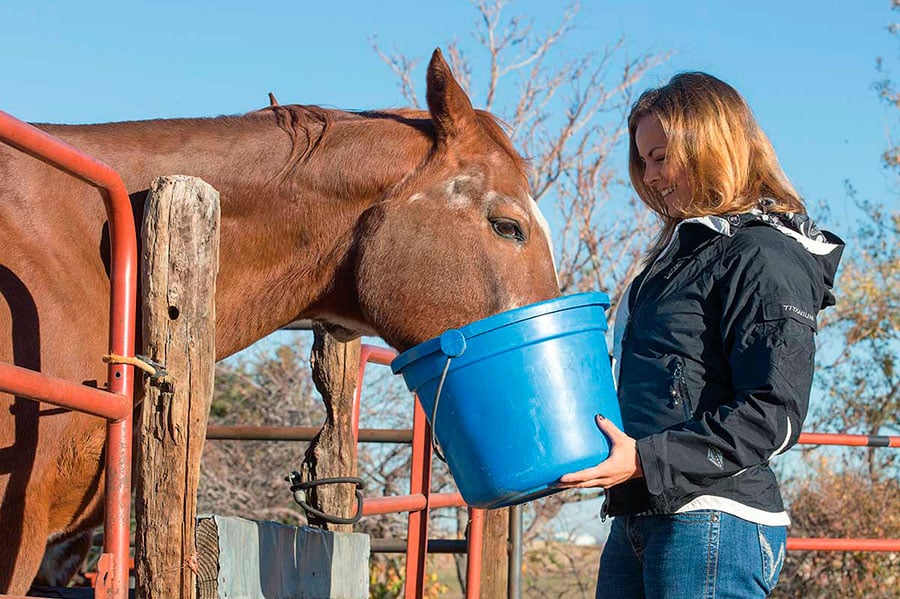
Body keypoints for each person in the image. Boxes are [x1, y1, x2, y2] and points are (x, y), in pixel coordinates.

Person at [559, 72, 844, 598]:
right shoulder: (675, 258)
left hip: (713, 520)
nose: (650, 176)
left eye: (661, 156)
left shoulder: (763, 253)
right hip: (639, 511)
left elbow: (773, 412)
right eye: (643, 161)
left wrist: (647, 459)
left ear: (711, 146)